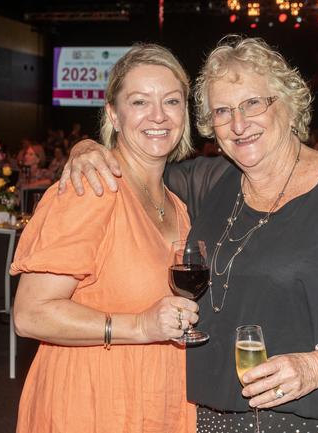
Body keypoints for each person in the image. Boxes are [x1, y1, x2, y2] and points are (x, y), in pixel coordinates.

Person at [60, 36, 318, 433]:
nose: (239, 124)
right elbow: (133, 166)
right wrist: (87, 147)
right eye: (223, 111)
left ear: (288, 105)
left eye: (252, 104)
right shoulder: (209, 182)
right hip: (213, 417)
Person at [11, 43, 198, 433]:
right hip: (92, 404)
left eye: (172, 101)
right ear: (113, 113)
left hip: (159, 401)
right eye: (140, 102)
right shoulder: (91, 188)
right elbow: (31, 314)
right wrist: (139, 327)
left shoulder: (177, 205)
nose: (159, 116)